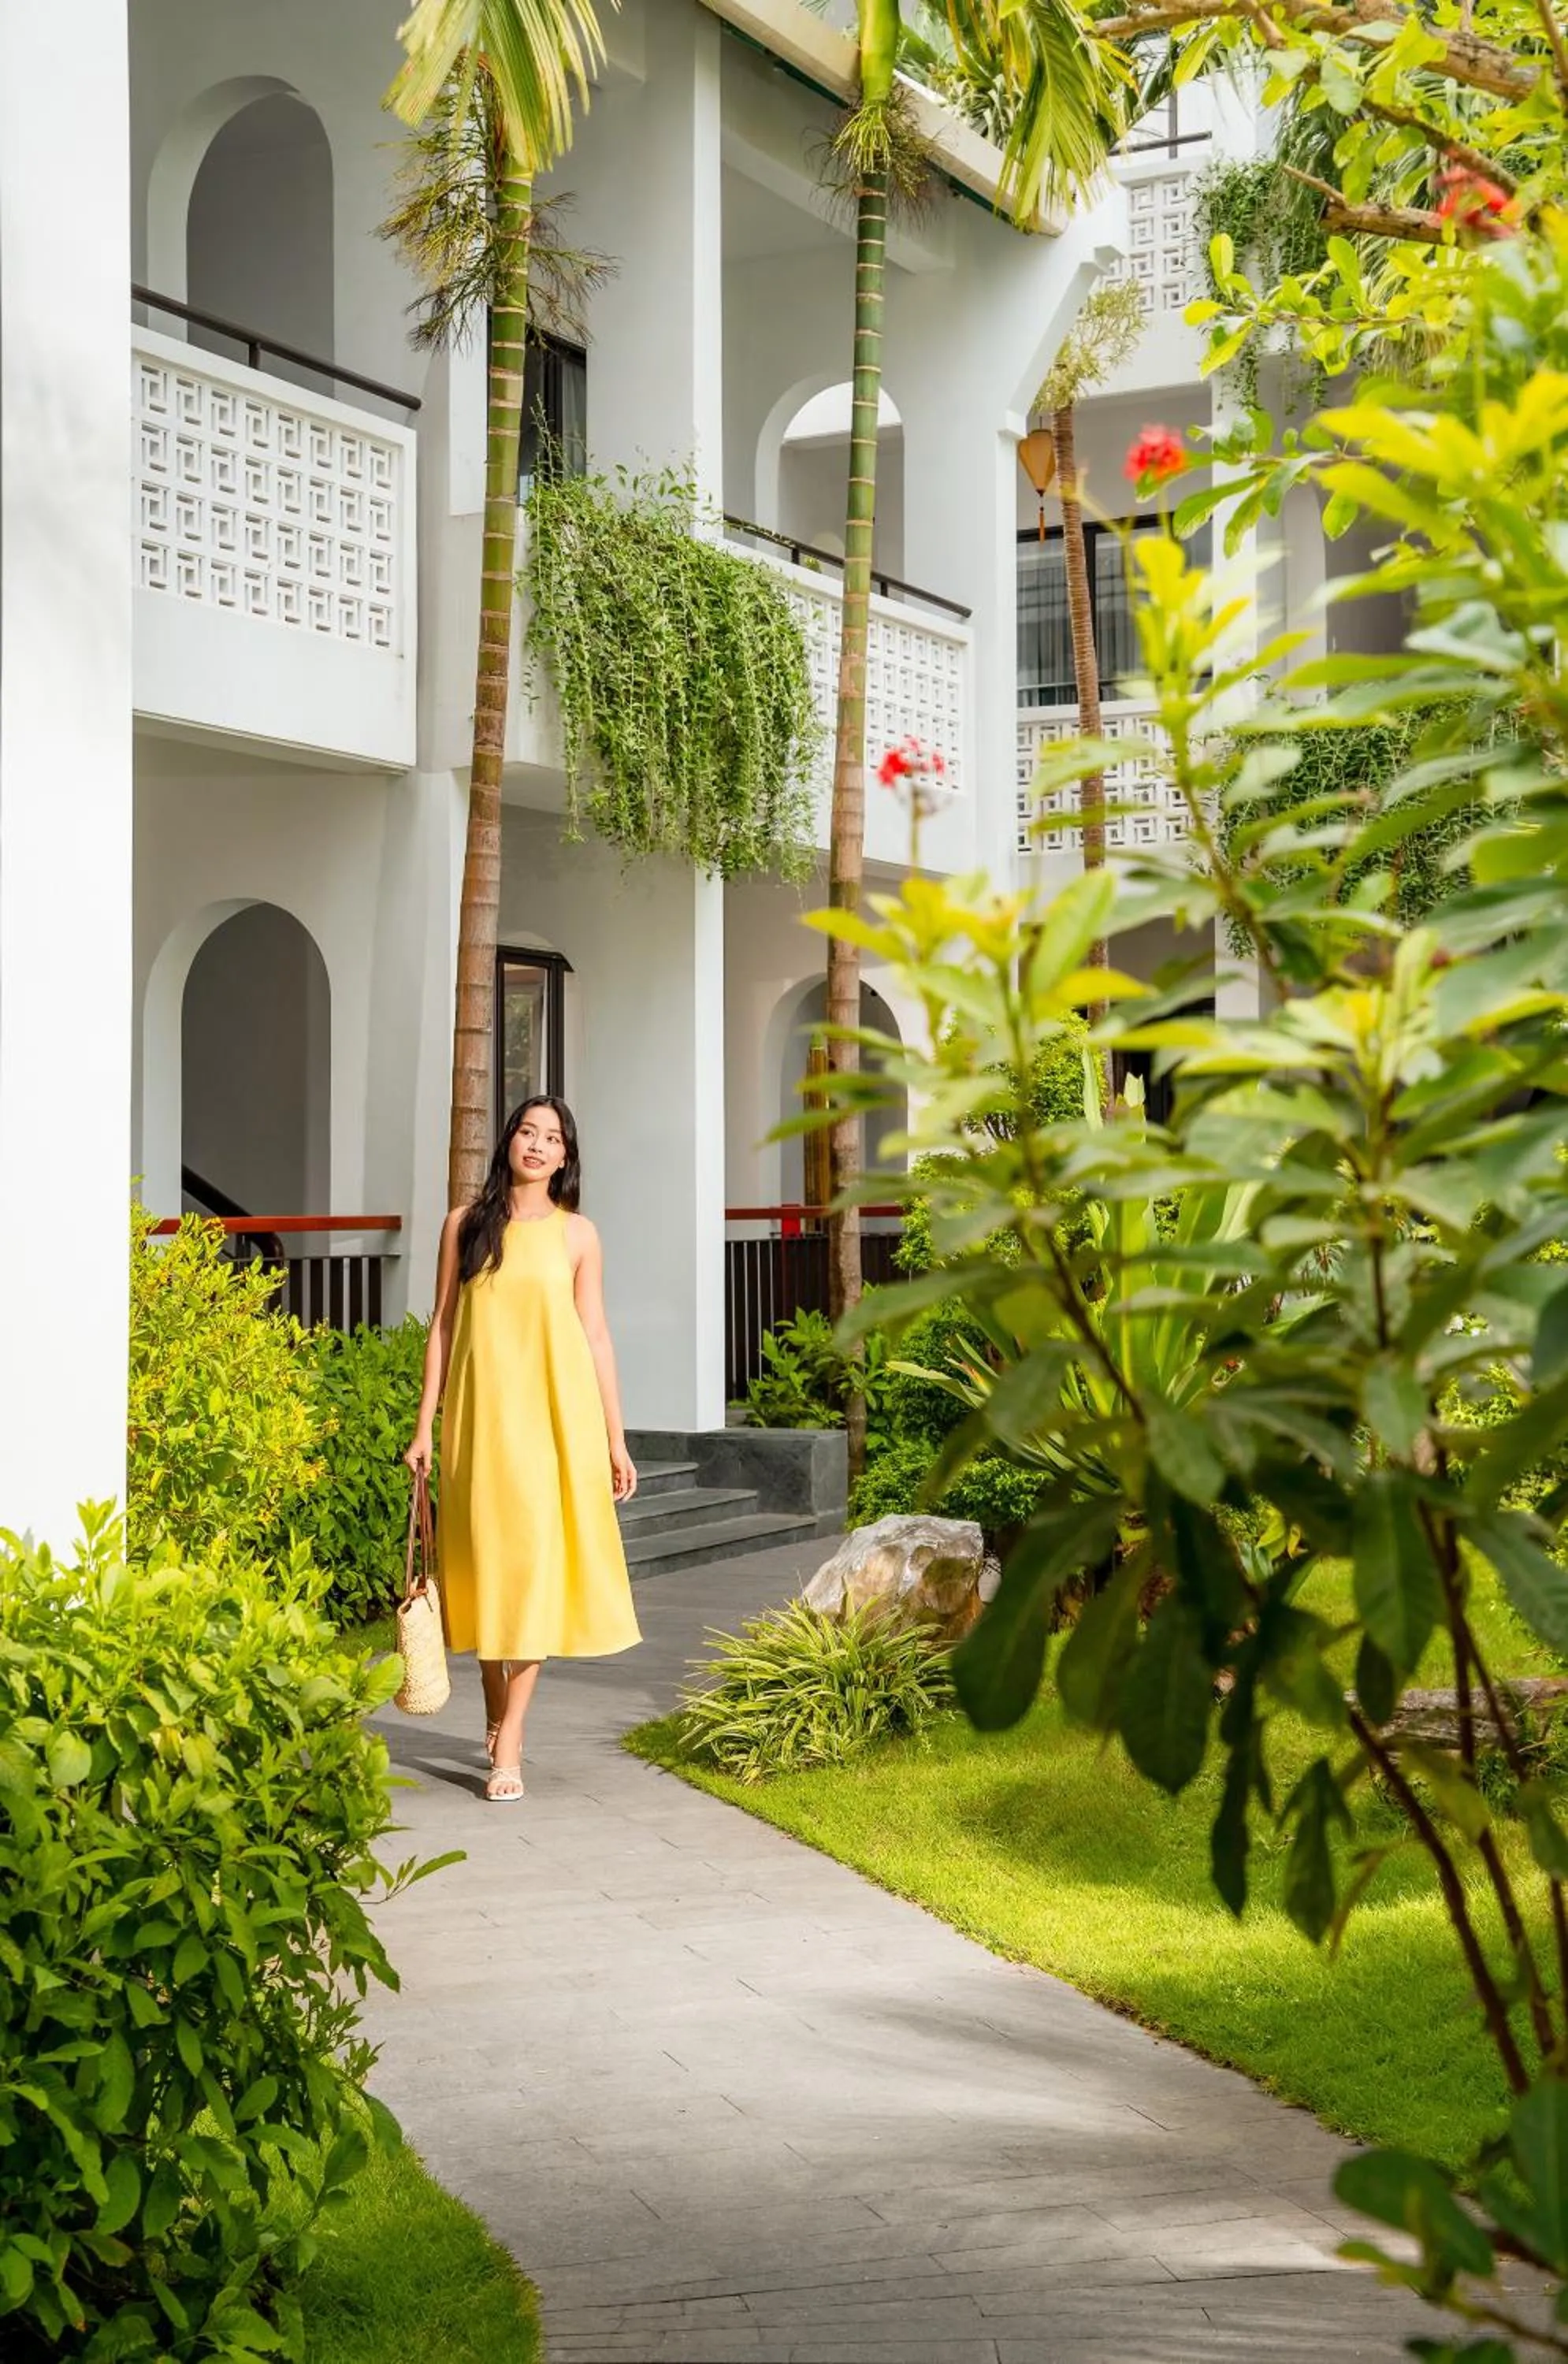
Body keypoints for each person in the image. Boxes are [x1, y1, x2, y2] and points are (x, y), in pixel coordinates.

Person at [404, 1095, 641, 1801]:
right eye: (527, 1132)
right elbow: (442, 1327)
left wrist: (615, 1437)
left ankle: (509, 1742)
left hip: (554, 1423)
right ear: (509, 1141)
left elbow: (595, 1334)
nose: (537, 1145)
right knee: (483, 1569)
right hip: (478, 1423)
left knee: (535, 1571)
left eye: (553, 1138)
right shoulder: (463, 1225)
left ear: (566, 1157)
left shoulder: (579, 1236)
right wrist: (424, 1426)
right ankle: (490, 1691)